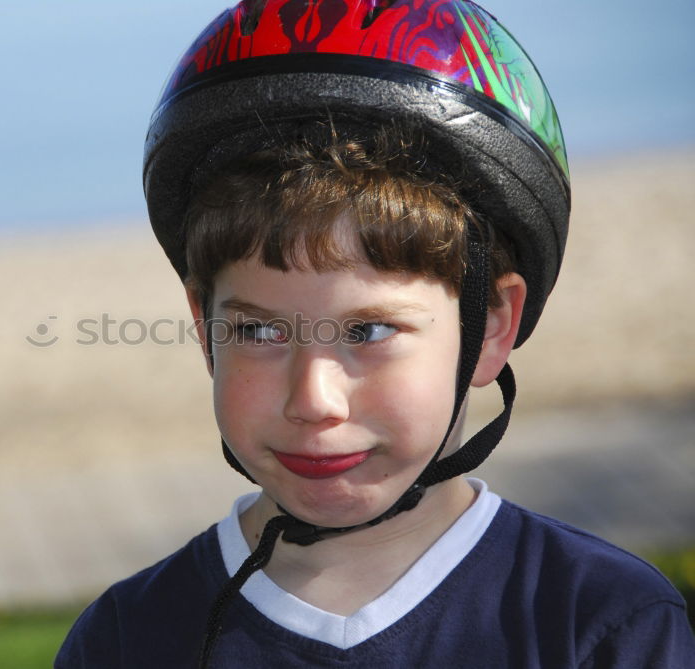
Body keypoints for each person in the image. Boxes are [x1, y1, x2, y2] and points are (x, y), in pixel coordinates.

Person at [56, 1, 695, 666]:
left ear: (490, 327)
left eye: (368, 330)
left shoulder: (598, 623)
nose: (314, 398)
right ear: (203, 326)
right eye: (258, 329)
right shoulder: (126, 640)